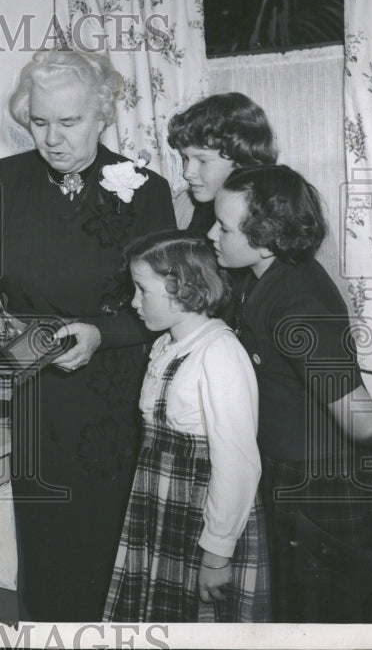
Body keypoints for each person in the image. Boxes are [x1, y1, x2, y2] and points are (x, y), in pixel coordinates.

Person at [0, 48, 176, 621]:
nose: (52, 138)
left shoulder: (144, 189)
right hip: (39, 391)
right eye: (39, 121)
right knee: (45, 550)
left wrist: (100, 333)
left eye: (69, 122)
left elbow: (168, 306)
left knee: (102, 549)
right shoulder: (4, 179)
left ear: (102, 116)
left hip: (113, 394)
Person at [209, 165, 372, 622]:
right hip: (291, 472)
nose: (212, 233)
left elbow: (365, 424)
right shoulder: (263, 277)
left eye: (223, 227)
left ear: (265, 238)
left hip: (325, 486)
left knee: (331, 613)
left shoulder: (299, 308)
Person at [104, 231, 270, 622]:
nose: (133, 301)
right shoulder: (167, 345)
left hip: (201, 517)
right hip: (160, 506)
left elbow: (238, 462)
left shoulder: (220, 353)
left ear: (182, 289)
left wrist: (217, 551)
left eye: (142, 290)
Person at [167, 92, 277, 236]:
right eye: (185, 158)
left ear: (241, 160)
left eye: (202, 160)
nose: (187, 173)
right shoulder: (186, 204)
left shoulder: (266, 217)